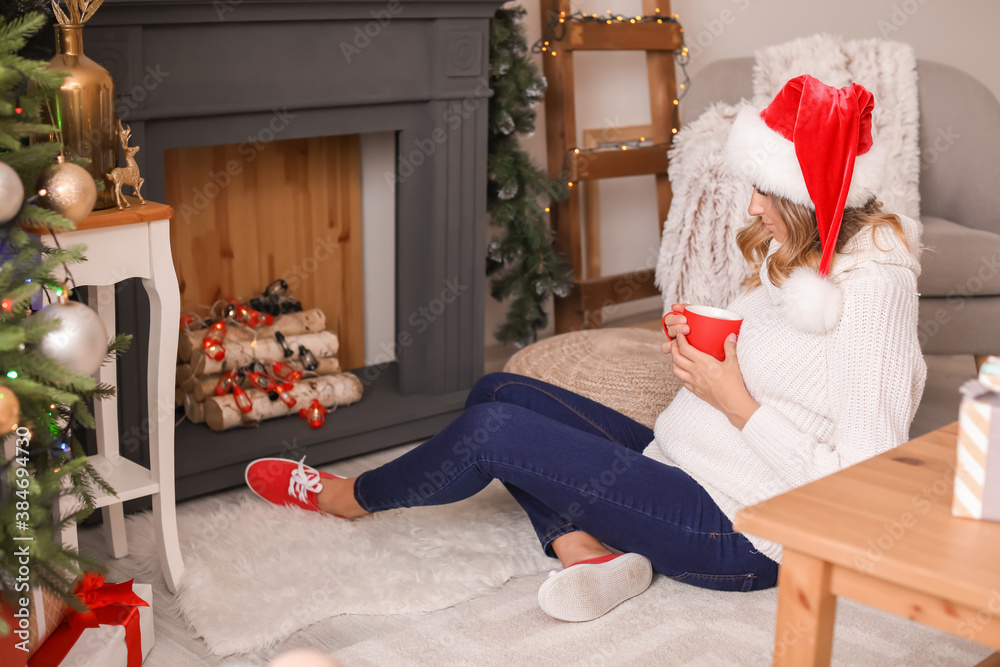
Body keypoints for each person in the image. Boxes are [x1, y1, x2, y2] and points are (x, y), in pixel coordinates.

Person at [245, 75, 926, 623]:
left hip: (743, 530)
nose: (750, 208)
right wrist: (709, 350)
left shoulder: (874, 286)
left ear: (811, 194)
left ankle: (348, 498)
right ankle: (585, 549)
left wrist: (734, 400)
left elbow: (865, 479)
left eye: (763, 190)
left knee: (491, 431)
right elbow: (789, 369)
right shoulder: (805, 249)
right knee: (497, 391)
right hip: (679, 459)